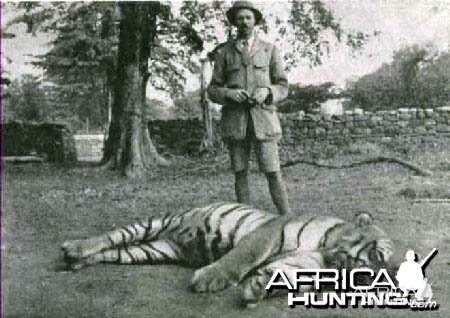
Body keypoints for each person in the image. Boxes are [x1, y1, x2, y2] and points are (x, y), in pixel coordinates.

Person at [207, 1, 291, 214]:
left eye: (248, 18)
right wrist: (229, 94)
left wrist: (268, 92)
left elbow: (283, 86)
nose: (244, 22)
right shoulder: (224, 52)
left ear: (255, 21)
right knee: (240, 171)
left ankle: (287, 217)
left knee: (273, 171)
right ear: (234, 22)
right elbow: (212, 89)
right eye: (240, 18)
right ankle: (245, 219)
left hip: (264, 121)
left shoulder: (270, 50)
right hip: (236, 122)